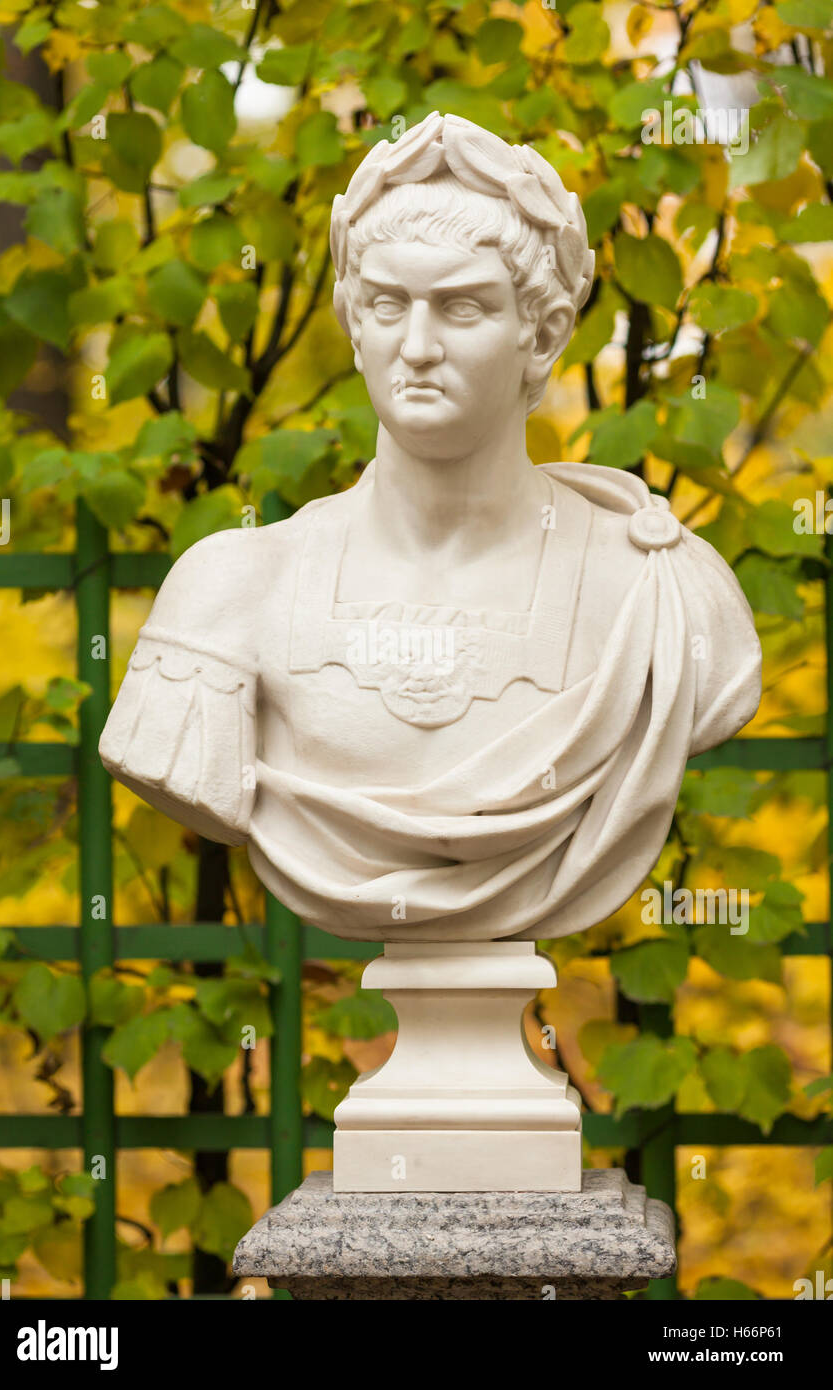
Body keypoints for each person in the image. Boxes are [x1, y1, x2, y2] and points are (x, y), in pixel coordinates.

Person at [100, 112, 761, 944]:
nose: (415, 347)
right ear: (353, 320)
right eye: (386, 304)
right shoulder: (232, 588)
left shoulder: (658, 592)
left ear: (544, 334)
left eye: (461, 307)